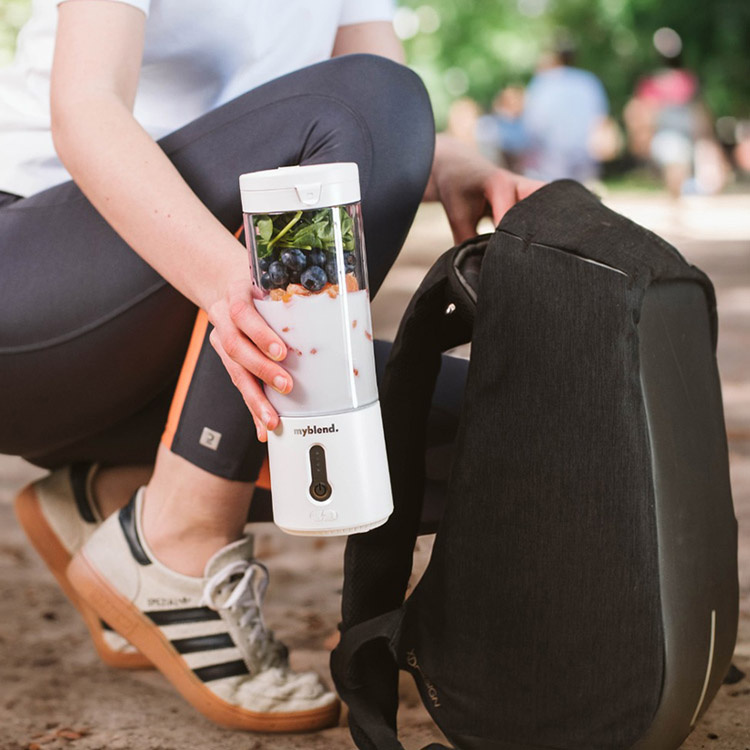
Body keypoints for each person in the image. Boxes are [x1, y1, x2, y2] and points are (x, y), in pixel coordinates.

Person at [0, 0, 541, 732]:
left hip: (160, 338)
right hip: (33, 288)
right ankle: (180, 537)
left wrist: (456, 163)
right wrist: (235, 285)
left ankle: (113, 495)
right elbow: (84, 111)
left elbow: (386, 132)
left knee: (497, 430)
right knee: (372, 99)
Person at [522, 44, 609, 182]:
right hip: (584, 150)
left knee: (554, 190)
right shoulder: (588, 80)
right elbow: (600, 117)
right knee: (583, 189)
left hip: (552, 152)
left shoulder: (543, 82)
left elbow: (534, 120)